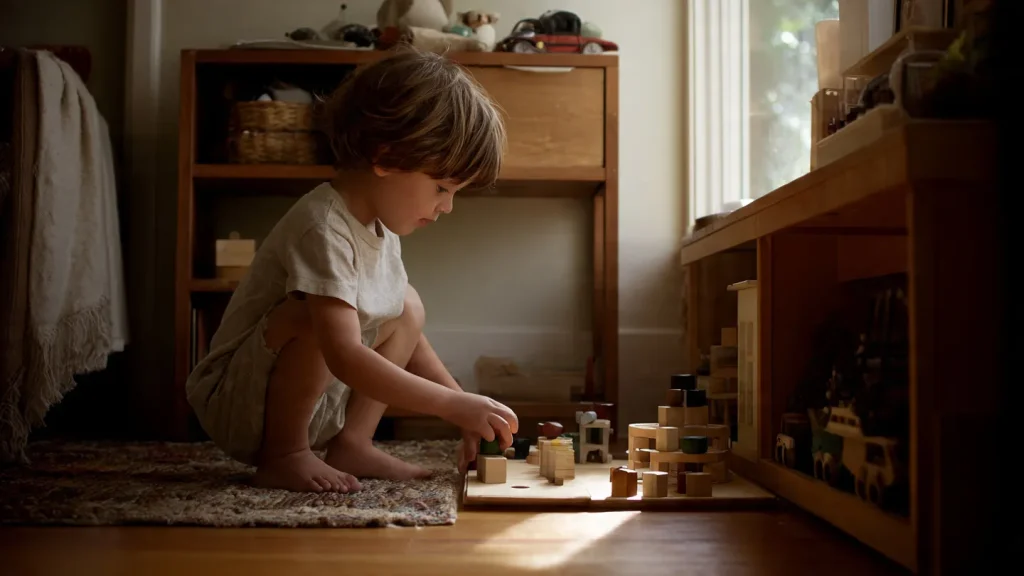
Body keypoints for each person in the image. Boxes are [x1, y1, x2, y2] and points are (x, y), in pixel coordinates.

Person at [185, 48, 518, 493]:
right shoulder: (323, 225)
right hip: (240, 404)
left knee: (406, 305)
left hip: (315, 405)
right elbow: (342, 352)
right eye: (441, 187)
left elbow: (409, 338)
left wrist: (463, 407)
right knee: (314, 315)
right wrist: (448, 405)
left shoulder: (378, 226)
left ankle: (352, 443)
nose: (447, 206)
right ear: (386, 157)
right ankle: (283, 455)